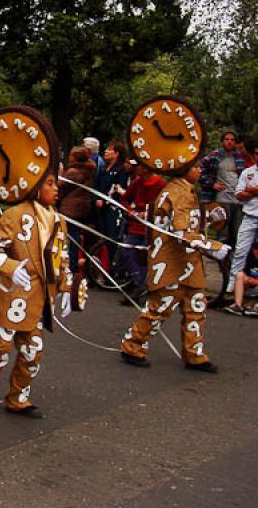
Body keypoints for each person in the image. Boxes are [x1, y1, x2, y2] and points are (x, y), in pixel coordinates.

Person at [0, 171, 72, 422]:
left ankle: (18, 397)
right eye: (50, 184)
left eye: (55, 183)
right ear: (35, 187)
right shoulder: (13, 216)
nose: (56, 188)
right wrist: (11, 268)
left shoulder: (58, 220)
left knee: (32, 351)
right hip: (11, 295)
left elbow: (62, 257)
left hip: (39, 297)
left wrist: (66, 287)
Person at [121, 162, 230, 371]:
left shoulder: (185, 190)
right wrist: (212, 245)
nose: (199, 170)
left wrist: (209, 217)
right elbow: (180, 233)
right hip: (171, 259)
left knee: (196, 307)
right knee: (160, 307)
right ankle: (132, 345)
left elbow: (190, 224)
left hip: (190, 260)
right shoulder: (176, 192)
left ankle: (194, 354)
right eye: (196, 166)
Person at [118, 164, 167, 302]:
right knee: (126, 251)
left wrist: (150, 213)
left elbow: (164, 205)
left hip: (151, 226)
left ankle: (139, 286)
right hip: (136, 225)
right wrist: (130, 211)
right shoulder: (136, 182)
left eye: (138, 166)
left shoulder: (161, 184)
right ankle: (138, 281)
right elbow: (125, 198)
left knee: (144, 256)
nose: (135, 169)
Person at [199, 130, 246, 249]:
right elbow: (199, 170)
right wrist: (211, 184)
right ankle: (221, 258)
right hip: (222, 198)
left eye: (232, 140)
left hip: (237, 198)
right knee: (222, 231)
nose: (229, 142)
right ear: (222, 142)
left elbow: (243, 176)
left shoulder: (239, 157)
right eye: (227, 139)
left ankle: (233, 261)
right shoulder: (214, 156)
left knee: (236, 232)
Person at [57, 146, 96, 273]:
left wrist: (60, 172)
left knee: (70, 236)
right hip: (83, 207)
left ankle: (71, 264)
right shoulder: (89, 170)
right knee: (75, 235)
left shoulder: (73, 172)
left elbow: (61, 185)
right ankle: (73, 262)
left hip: (71, 208)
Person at [226, 142, 258, 290]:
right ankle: (233, 285)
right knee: (240, 250)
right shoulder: (247, 172)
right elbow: (239, 194)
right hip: (249, 216)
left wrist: (252, 190)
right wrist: (252, 191)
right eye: (256, 154)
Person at [95, 141, 129, 263]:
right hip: (100, 209)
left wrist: (105, 201)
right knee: (102, 237)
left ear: (116, 154)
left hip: (112, 209)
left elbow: (119, 189)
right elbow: (97, 186)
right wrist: (96, 199)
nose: (106, 152)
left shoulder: (121, 170)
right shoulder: (103, 169)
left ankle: (114, 265)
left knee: (112, 237)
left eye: (109, 150)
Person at [224, 240, 258, 316]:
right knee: (240, 274)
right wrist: (247, 279)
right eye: (256, 249)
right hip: (250, 288)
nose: (257, 252)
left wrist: (255, 282)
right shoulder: (251, 258)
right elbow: (244, 272)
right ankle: (237, 306)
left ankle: (256, 307)